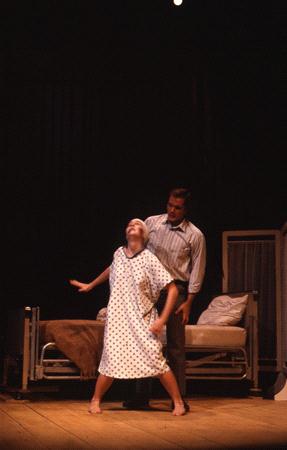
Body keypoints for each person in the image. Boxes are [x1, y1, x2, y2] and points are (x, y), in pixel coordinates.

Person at [70, 218, 186, 416]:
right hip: (117, 320)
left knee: (156, 362)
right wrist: (91, 285)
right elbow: (111, 269)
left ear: (144, 234)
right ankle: (95, 400)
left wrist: (162, 319)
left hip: (143, 320)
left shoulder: (149, 258)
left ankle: (178, 402)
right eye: (129, 225)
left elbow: (173, 289)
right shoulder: (118, 253)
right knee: (110, 361)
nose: (132, 226)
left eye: (137, 225)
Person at [124, 188, 206, 412]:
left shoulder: (194, 235)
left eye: (177, 207)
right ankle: (140, 397)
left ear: (186, 209)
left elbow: (197, 270)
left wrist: (189, 301)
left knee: (176, 347)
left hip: (177, 290)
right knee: (144, 343)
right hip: (149, 290)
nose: (171, 210)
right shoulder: (152, 222)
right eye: (170, 205)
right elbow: (136, 246)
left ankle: (178, 398)